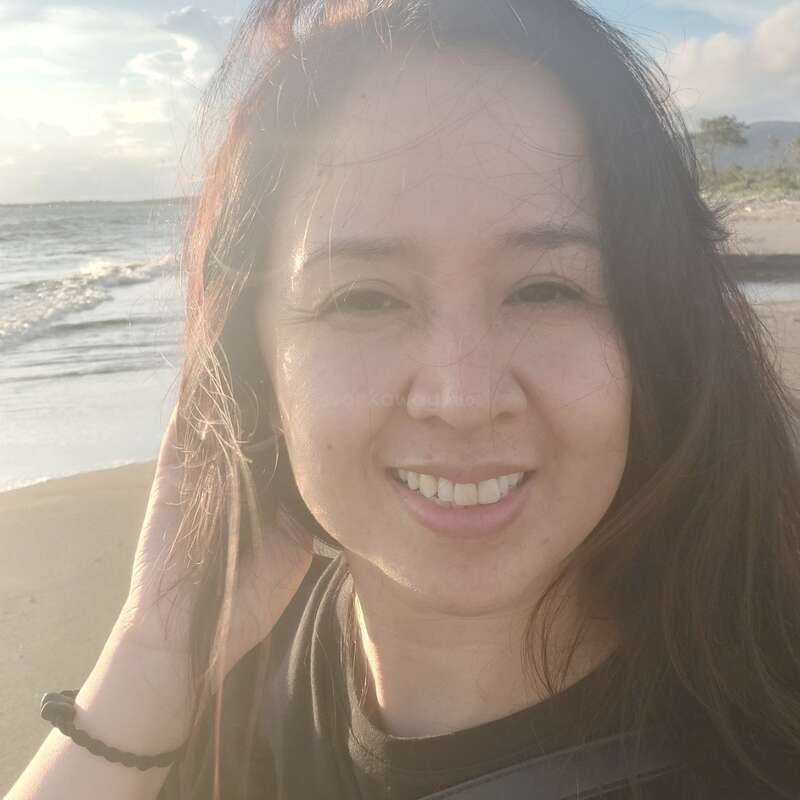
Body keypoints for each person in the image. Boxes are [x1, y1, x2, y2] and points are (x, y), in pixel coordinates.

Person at [9, 1, 800, 798]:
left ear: (652, 335)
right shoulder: (230, 672)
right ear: (254, 364)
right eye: (365, 299)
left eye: (544, 288)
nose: (461, 398)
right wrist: (155, 652)